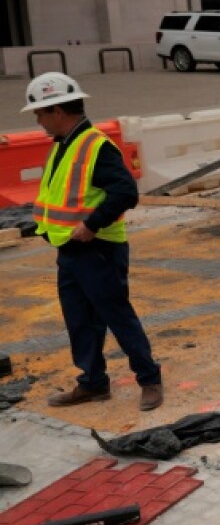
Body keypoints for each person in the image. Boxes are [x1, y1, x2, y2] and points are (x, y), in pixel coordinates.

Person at [25, 72, 164, 411]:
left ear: (58, 110)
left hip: (97, 248)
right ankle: (92, 383)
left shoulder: (94, 146)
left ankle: (149, 379)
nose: (38, 121)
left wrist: (91, 224)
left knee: (117, 315)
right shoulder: (64, 144)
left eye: (40, 113)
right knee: (79, 320)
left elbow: (126, 192)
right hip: (70, 250)